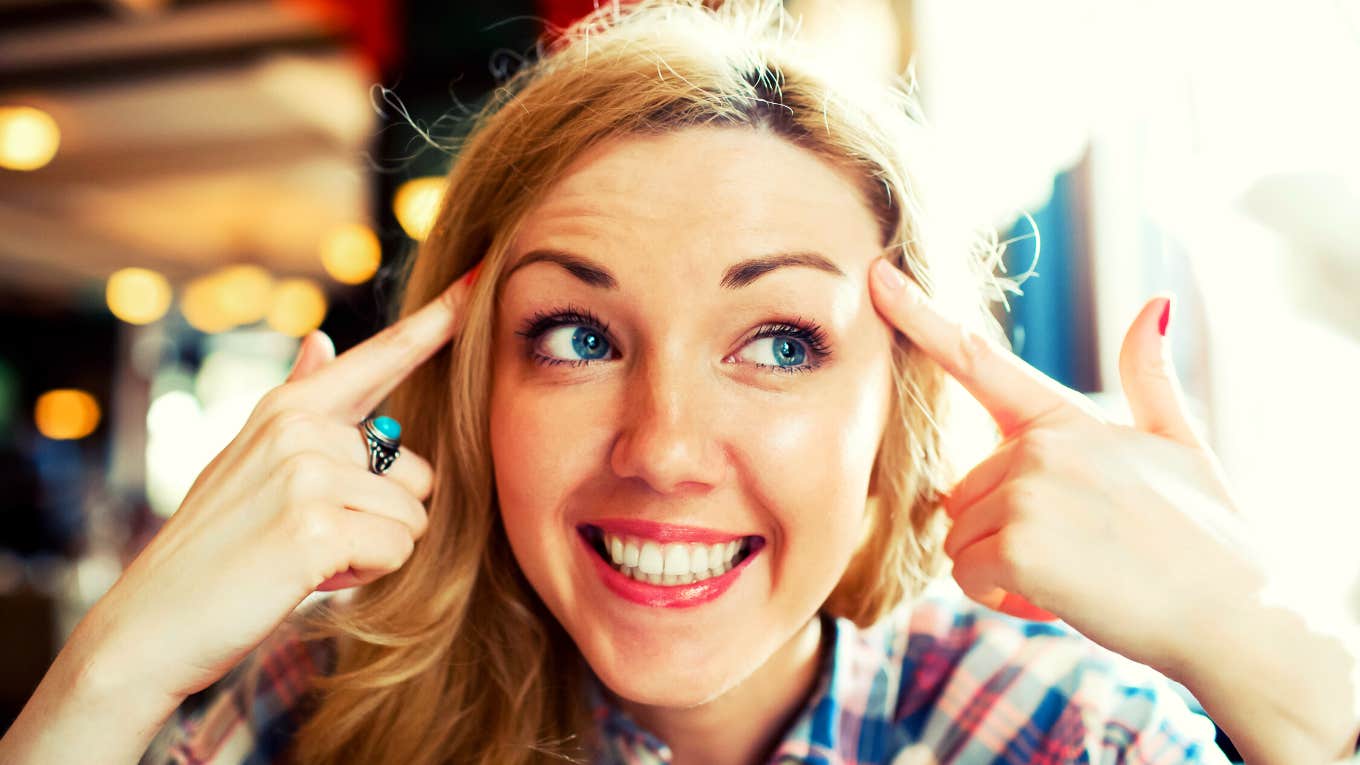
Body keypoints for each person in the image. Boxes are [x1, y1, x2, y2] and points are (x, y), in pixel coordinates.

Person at [3, 1, 1359, 763]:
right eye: (578, 337)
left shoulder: (1065, 736)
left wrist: (1275, 659)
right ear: (476, 388)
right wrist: (115, 666)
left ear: (897, 397)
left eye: (780, 342)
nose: (662, 447)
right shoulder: (324, 709)